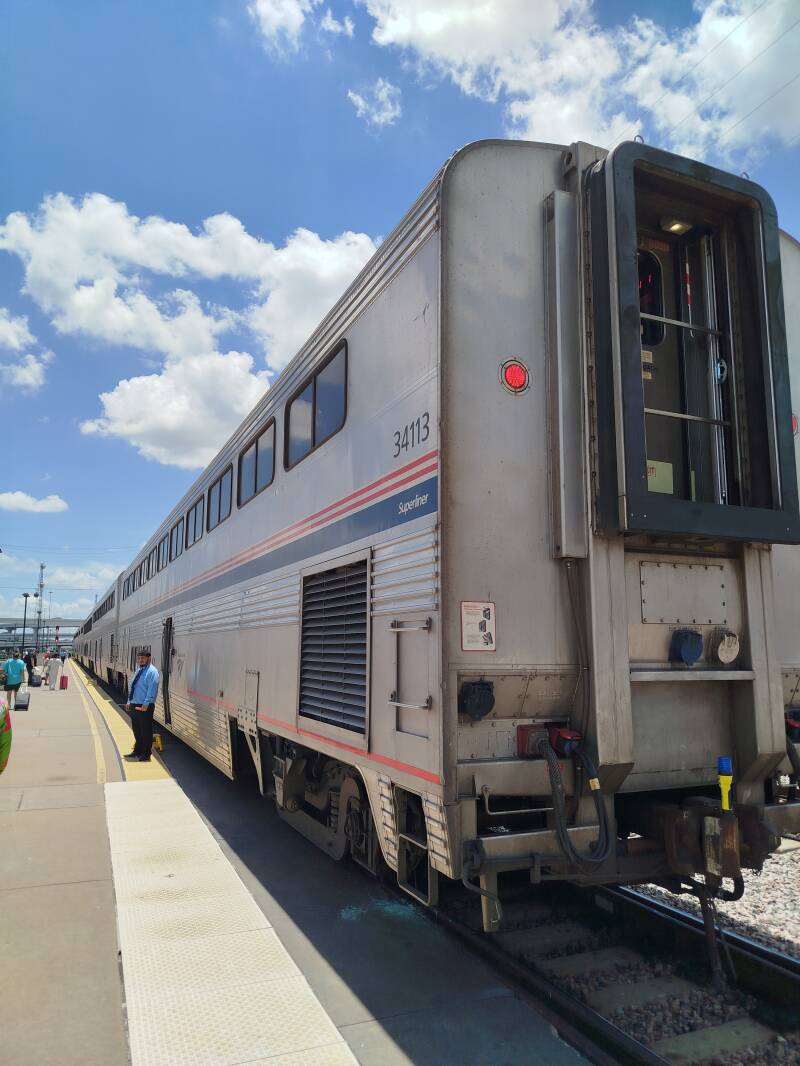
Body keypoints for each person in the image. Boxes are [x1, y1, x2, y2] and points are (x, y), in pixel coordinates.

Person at [125, 650, 159, 762]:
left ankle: (146, 754)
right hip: (135, 703)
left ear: (149, 658)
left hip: (144, 705)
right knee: (137, 730)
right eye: (139, 658)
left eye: (143, 658)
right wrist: (129, 701)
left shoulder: (152, 672)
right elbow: (133, 685)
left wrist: (146, 704)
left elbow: (152, 689)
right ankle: (137, 751)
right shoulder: (139, 670)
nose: (140, 660)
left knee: (145, 731)